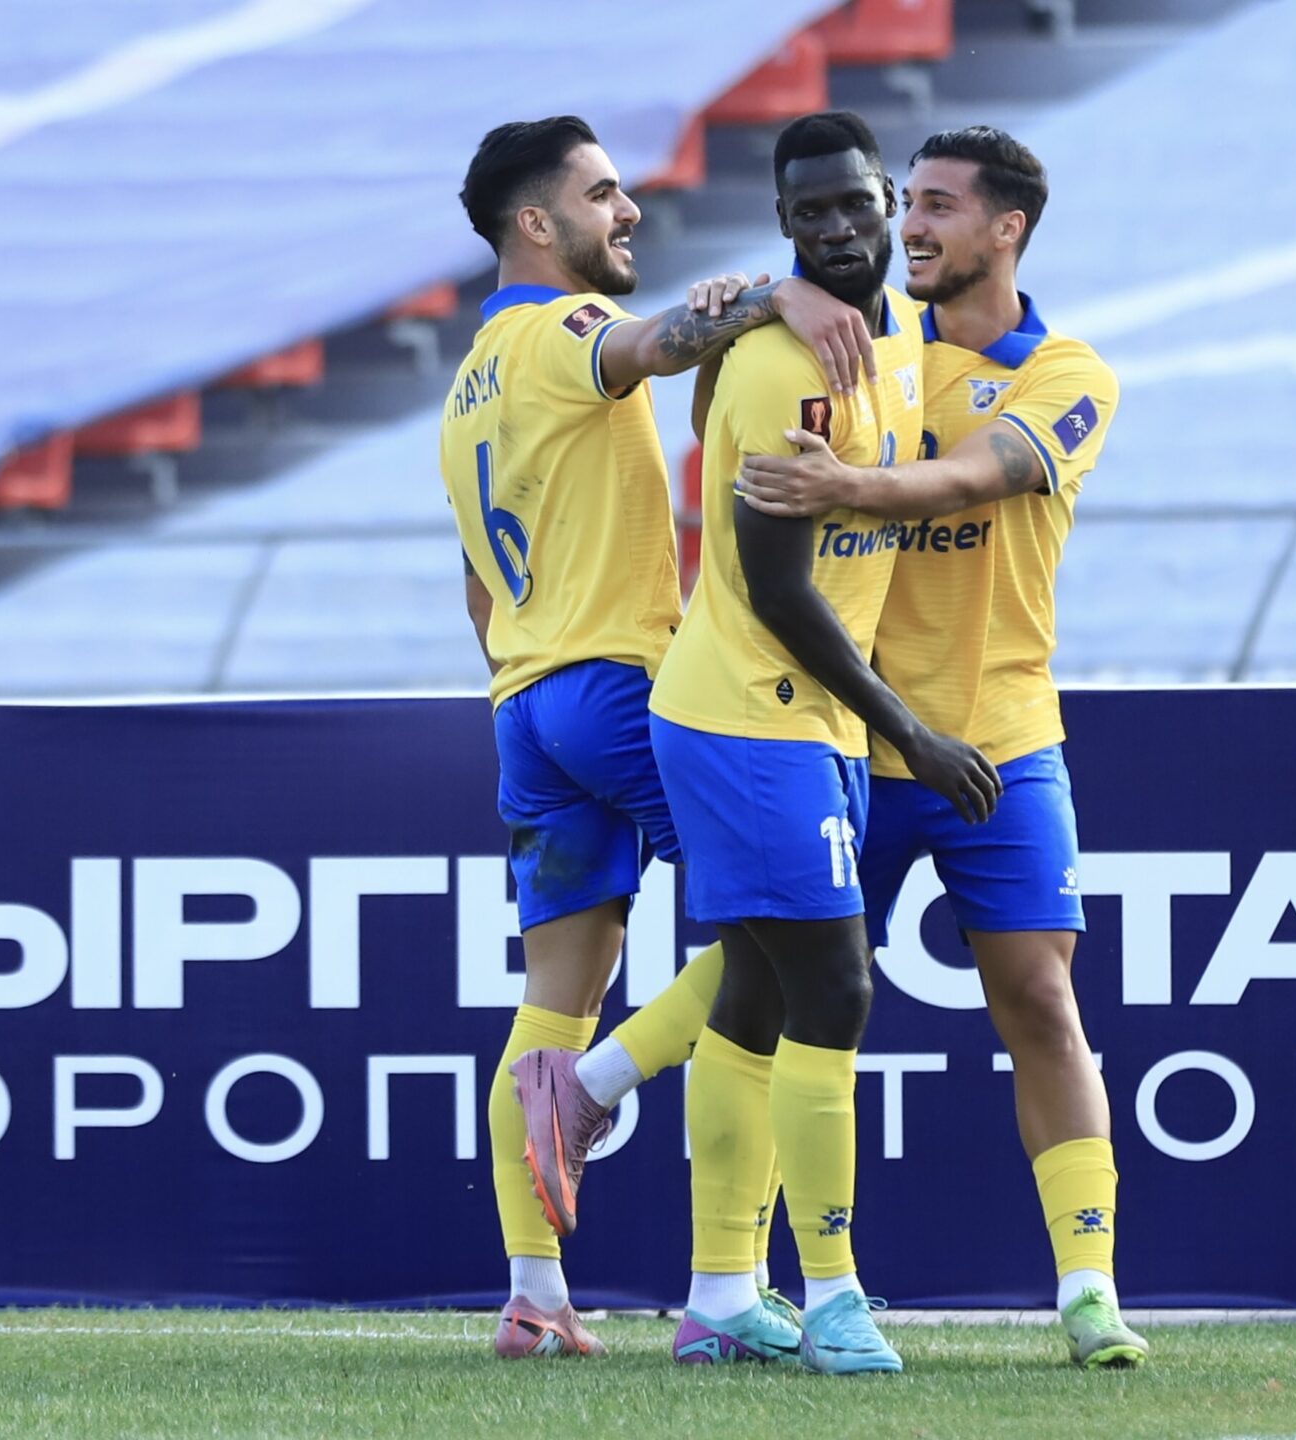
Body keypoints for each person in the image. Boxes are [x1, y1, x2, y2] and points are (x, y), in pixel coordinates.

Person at [439, 114, 877, 1359]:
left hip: (525, 701)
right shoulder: (560, 329)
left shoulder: (466, 384)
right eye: (601, 194)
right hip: (622, 682)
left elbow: (473, 585)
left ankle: (535, 1295)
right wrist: (778, 291)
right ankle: (606, 1106)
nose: (627, 210)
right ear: (536, 223)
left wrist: (531, 680)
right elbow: (658, 340)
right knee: (783, 938)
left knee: (553, 998)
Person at [728, 125, 1148, 1368]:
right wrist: (776, 293)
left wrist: (845, 490)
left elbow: (972, 479)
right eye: (906, 201)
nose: (908, 224)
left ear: (1006, 229)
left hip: (1000, 740)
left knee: (1040, 999)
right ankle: (731, 1275)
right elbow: (740, 318)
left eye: (939, 206)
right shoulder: (868, 342)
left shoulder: (1067, 374)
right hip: (845, 735)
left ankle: (1088, 1290)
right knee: (764, 992)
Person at [650, 110, 997, 1376]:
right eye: (812, 213)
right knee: (836, 990)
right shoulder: (778, 364)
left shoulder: (894, 331)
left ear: (887, 198)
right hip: (753, 707)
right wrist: (914, 731)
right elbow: (779, 589)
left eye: (857, 203)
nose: (840, 229)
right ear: (784, 221)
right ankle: (835, 1295)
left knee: (752, 992)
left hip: (804, 712)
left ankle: (719, 1298)